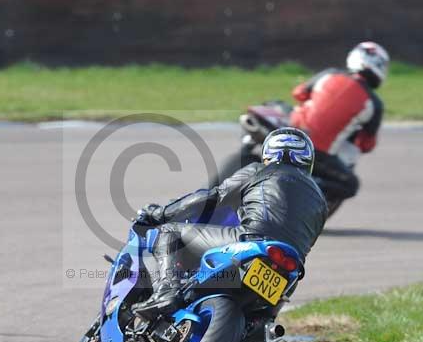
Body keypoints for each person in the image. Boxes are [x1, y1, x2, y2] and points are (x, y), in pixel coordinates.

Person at [132, 127, 328, 317]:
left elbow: (212, 197)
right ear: (307, 160)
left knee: (169, 232)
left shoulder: (258, 170)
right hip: (290, 265)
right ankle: (260, 326)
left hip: (252, 241)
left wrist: (160, 213)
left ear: (269, 153)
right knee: (263, 320)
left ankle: (166, 291)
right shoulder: (321, 201)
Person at [288, 41, 389, 203]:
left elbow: (299, 93)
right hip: (315, 152)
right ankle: (303, 192)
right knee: (350, 184)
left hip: (287, 128)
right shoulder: (373, 104)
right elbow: (366, 145)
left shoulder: (330, 74)